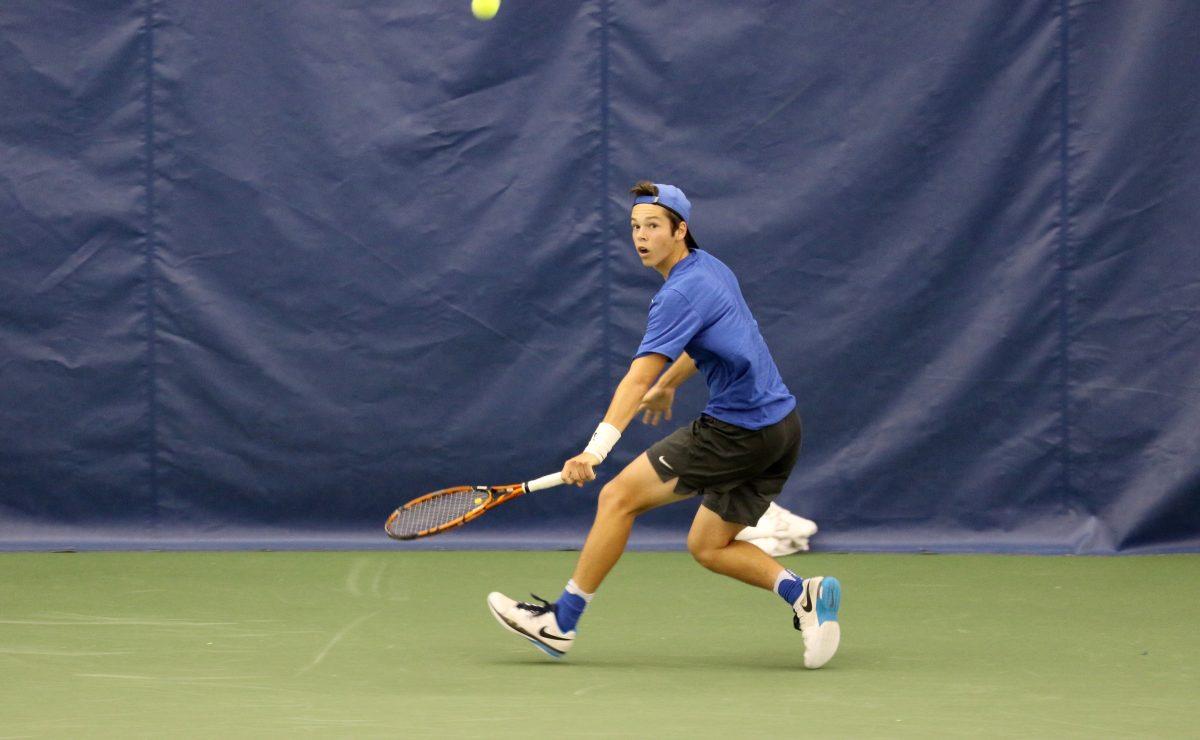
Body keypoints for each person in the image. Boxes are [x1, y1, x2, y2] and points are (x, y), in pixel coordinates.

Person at [487, 181, 841, 669]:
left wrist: (595, 451)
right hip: (782, 430)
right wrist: (673, 382)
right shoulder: (712, 269)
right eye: (635, 226)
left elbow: (636, 380)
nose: (641, 236)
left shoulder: (678, 293)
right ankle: (803, 595)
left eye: (653, 225)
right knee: (708, 545)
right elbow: (720, 341)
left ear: (680, 230)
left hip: (736, 432)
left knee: (617, 498)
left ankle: (560, 623)